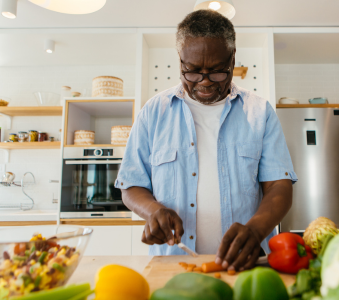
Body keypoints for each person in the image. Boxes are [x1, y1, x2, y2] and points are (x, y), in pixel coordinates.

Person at [116, 9, 297, 272]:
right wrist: (153, 211)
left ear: (233, 59)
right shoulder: (153, 112)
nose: (205, 83)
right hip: (173, 263)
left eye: (217, 72)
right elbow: (131, 185)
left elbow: (279, 186)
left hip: (244, 266)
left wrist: (256, 230)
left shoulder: (259, 112)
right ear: (180, 61)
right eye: (192, 72)